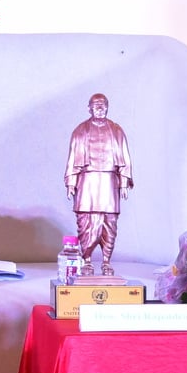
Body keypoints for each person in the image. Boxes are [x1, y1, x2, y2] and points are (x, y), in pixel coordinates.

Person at [66, 93, 133, 277]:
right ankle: (87, 260)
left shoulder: (116, 130)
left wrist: (124, 182)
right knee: (86, 221)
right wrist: (71, 182)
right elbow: (72, 159)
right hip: (87, 181)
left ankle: (106, 261)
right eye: (96, 105)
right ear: (89, 108)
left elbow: (125, 158)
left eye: (103, 105)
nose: (100, 108)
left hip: (109, 181)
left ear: (107, 107)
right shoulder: (80, 131)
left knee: (109, 222)